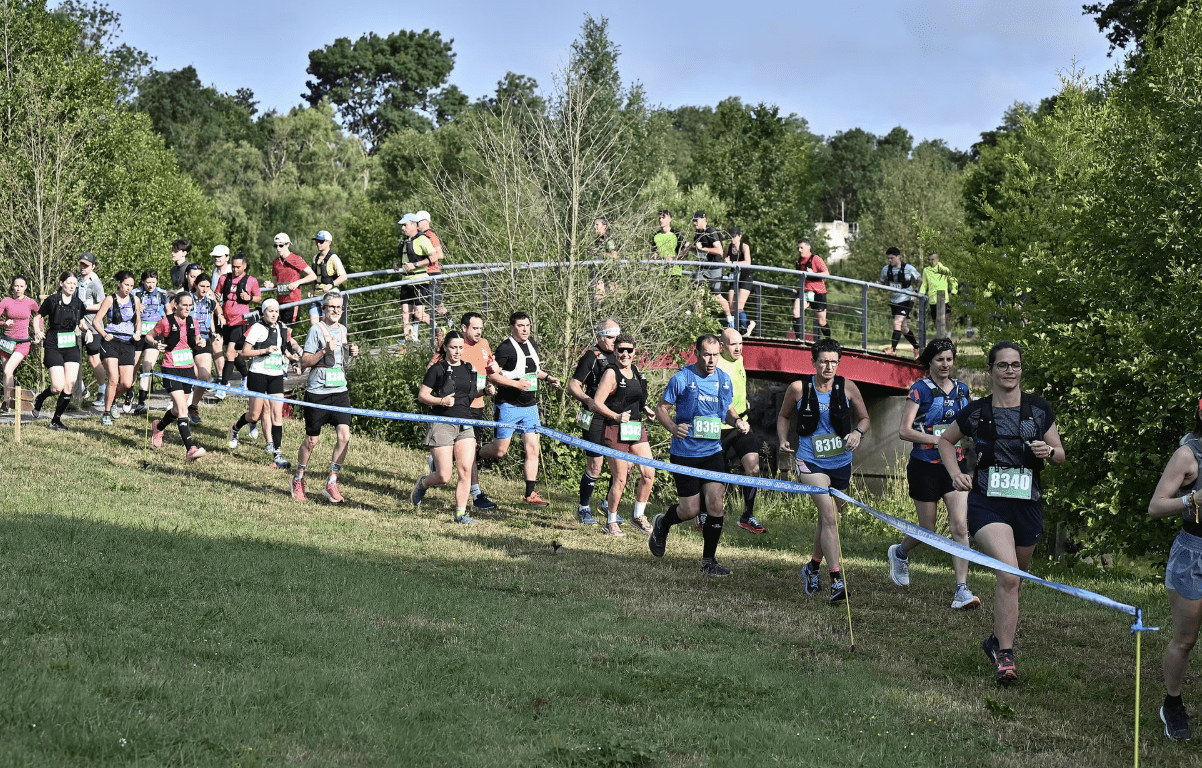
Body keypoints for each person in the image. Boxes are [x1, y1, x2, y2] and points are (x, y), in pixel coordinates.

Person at [937, 341, 1063, 683]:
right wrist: (955, 473)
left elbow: (1061, 454)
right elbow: (945, 441)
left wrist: (1048, 451)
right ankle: (1006, 656)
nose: (1010, 371)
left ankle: (995, 641)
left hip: (1027, 505)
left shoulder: (1038, 409)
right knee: (1008, 576)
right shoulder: (976, 411)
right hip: (986, 504)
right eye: (1003, 365)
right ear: (991, 370)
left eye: (1016, 365)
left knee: (1015, 580)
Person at [885, 338, 980, 610]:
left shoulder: (962, 390)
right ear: (930, 362)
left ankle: (961, 590)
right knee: (928, 529)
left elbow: (969, 424)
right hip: (924, 465)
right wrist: (939, 440)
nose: (945, 364)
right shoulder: (920, 389)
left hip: (957, 466)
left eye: (949, 359)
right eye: (940, 360)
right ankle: (900, 552)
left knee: (960, 526)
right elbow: (904, 431)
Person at [649, 334, 752, 576]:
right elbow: (661, 409)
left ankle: (708, 561)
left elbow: (725, 409)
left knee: (716, 504)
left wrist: (737, 421)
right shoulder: (682, 378)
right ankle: (662, 523)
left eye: (715, 355)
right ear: (696, 353)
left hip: (712, 451)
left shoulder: (724, 380)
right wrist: (674, 427)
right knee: (690, 510)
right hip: (684, 454)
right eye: (707, 354)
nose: (711, 360)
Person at [776, 338, 870, 602]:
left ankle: (812, 567)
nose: (829, 366)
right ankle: (836, 579)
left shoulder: (848, 387)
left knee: (830, 519)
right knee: (828, 515)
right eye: (824, 361)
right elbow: (784, 416)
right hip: (810, 461)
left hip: (840, 462)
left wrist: (857, 433)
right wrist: (783, 439)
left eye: (834, 361)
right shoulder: (798, 388)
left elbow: (864, 418)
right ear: (814, 362)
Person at [1147, 402, 1202, 741]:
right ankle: (1172, 703)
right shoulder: (1188, 455)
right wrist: (1190, 501)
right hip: (1194, 554)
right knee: (1186, 640)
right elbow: (1155, 506)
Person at [479, 311, 561, 507]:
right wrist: (515, 385)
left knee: (532, 448)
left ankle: (530, 494)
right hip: (508, 405)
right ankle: (475, 455)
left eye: (528, 326)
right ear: (512, 327)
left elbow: (532, 370)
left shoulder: (532, 345)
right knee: (500, 452)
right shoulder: (506, 348)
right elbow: (492, 375)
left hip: (530, 407)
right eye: (521, 326)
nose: (525, 329)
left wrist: (548, 378)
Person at [292, 290, 358, 504]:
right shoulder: (315, 330)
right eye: (332, 307)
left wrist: (352, 354)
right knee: (312, 441)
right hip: (318, 391)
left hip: (339, 390)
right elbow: (304, 362)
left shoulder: (343, 329)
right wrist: (323, 351)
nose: (336, 311)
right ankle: (298, 478)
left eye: (339, 307)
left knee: (344, 436)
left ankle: (332, 482)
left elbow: (343, 364)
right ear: (324, 308)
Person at [412, 331, 481, 524]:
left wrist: (486, 391)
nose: (457, 351)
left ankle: (460, 514)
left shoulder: (469, 368)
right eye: (453, 347)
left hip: (466, 424)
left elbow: (470, 393)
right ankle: (423, 483)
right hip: (442, 422)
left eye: (460, 347)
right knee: (444, 476)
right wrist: (441, 401)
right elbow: (422, 396)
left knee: (466, 470)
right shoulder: (437, 369)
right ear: (445, 348)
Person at [591, 333, 656, 536]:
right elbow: (596, 404)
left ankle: (638, 516)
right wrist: (616, 417)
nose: (625, 354)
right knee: (620, 478)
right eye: (621, 350)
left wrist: (645, 408)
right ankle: (611, 521)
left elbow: (634, 397)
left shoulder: (634, 370)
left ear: (635, 351)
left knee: (648, 473)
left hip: (635, 428)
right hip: (615, 429)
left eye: (629, 350)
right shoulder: (611, 373)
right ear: (615, 351)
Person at [232, 299, 301, 469]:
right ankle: (235, 428)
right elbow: (244, 352)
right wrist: (264, 351)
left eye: (276, 311)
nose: (274, 314)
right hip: (258, 374)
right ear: (263, 312)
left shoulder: (280, 327)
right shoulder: (257, 328)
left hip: (276, 374)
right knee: (254, 415)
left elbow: (281, 346)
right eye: (270, 311)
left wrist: (290, 356)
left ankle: (277, 454)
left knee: (277, 414)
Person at [568, 318, 621, 526]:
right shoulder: (591, 356)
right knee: (596, 465)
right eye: (610, 337)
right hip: (593, 417)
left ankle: (608, 503)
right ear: (599, 336)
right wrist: (588, 400)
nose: (614, 341)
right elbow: (573, 385)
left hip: (615, 416)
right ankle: (583, 508)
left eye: (616, 337)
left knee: (621, 465)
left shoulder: (620, 355)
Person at [714, 329, 767, 534]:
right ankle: (704, 511)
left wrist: (742, 402)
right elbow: (723, 401)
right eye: (733, 344)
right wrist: (736, 418)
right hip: (720, 426)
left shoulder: (740, 358)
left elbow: (737, 386)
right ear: (721, 346)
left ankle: (747, 515)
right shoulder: (716, 364)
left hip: (741, 424)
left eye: (740, 344)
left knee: (753, 467)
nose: (738, 348)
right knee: (718, 475)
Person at [146, 291, 206, 461]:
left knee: (176, 410)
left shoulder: (194, 322)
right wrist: (156, 343)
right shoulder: (166, 321)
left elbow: (196, 343)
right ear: (176, 305)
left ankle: (159, 426)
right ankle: (190, 449)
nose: (187, 308)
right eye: (184, 305)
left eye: (190, 305)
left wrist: (202, 344)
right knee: (182, 409)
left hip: (187, 368)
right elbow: (149, 335)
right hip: (171, 368)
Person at [454, 312, 500, 511]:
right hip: (458, 406)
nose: (479, 332)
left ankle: (475, 493)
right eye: (474, 328)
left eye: (481, 328)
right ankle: (475, 492)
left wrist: (494, 370)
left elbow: (490, 367)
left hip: (478, 405)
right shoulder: (455, 346)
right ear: (464, 328)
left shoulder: (484, 344)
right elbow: (436, 369)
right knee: (465, 448)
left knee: (471, 448)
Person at [32, 270, 87, 430]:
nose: (72, 286)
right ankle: (40, 398)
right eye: (69, 283)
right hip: (53, 343)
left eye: (74, 284)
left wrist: (88, 330)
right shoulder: (52, 300)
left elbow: (82, 322)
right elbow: (38, 317)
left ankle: (55, 420)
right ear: (62, 283)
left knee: (69, 385)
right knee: (57, 386)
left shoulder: (78, 303)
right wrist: (37, 331)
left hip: (70, 345)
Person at [94, 271, 142, 426]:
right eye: (126, 284)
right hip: (112, 341)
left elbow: (138, 321)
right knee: (114, 379)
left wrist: (138, 332)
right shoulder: (110, 299)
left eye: (132, 286)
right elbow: (96, 321)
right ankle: (106, 413)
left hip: (128, 342)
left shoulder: (135, 299)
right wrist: (104, 334)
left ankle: (112, 399)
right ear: (120, 283)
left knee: (127, 383)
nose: (128, 288)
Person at [215, 252, 262, 391]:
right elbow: (217, 296)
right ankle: (246, 376)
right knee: (234, 354)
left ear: (245, 266)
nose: (235, 270)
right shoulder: (224, 278)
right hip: (225, 321)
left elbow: (258, 298)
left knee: (229, 352)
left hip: (241, 321)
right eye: (233, 267)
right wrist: (217, 298)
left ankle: (223, 386)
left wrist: (249, 298)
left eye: (238, 267)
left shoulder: (251, 280)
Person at [129, 269, 170, 415]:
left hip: (154, 334)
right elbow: (126, 312)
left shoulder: (162, 294)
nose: (150, 285)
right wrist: (136, 309)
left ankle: (142, 402)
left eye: (153, 282)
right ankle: (129, 393)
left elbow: (168, 314)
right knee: (133, 366)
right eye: (148, 282)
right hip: (138, 334)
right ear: (143, 282)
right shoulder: (135, 293)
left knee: (147, 366)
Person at [0, 275, 43, 414]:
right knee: (7, 373)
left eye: (21, 286)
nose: (18, 289)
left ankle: (7, 401)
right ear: (12, 286)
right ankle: (7, 403)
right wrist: (4, 323)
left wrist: (38, 331)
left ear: (25, 287)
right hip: (6, 341)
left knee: (8, 370)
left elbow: (39, 315)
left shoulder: (30, 302)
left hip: (23, 342)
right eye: (16, 286)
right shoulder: (6, 301)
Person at [396, 214, 436, 342]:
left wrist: (416, 265)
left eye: (405, 225)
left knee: (418, 314)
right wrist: (397, 264)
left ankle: (438, 330)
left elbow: (434, 257)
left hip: (420, 280)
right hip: (406, 281)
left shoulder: (423, 239)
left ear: (414, 224)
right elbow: (407, 258)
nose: (403, 228)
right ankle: (408, 341)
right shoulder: (406, 241)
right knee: (405, 313)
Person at [184, 273, 217, 424]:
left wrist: (214, 331)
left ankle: (193, 406)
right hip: (186, 339)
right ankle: (180, 407)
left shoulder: (211, 302)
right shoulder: (187, 299)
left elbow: (210, 318)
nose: (204, 289)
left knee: (204, 377)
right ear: (196, 285)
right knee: (191, 375)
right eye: (202, 286)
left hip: (204, 339)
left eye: (207, 287)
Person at [76, 252, 107, 408]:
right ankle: (81, 389)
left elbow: (103, 304)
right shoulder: (76, 280)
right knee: (71, 358)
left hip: (93, 327)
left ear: (93, 267)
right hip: (77, 327)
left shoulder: (96, 283)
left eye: (86, 265)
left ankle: (103, 391)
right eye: (81, 264)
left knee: (93, 360)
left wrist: (85, 307)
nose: (83, 267)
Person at [878, 247, 922, 358]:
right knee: (903, 328)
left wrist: (915, 292)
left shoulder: (909, 268)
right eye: (888, 258)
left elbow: (920, 280)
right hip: (894, 301)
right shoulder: (885, 269)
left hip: (907, 299)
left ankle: (892, 349)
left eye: (892, 258)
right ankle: (917, 348)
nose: (890, 260)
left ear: (899, 257)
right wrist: (878, 283)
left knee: (897, 323)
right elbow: (882, 282)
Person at [266, 233, 317, 325]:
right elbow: (275, 282)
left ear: (288, 244)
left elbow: (313, 276)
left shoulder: (296, 259)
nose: (278, 248)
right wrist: (270, 285)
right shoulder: (276, 262)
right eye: (276, 246)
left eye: (281, 245)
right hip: (280, 302)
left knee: (288, 332)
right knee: (281, 332)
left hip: (293, 301)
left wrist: (297, 282)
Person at [687, 212, 728, 320]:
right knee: (697, 295)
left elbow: (719, 251)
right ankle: (697, 322)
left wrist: (702, 249)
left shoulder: (710, 231)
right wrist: (689, 247)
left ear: (704, 219)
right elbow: (698, 250)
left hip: (715, 267)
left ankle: (730, 320)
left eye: (696, 220)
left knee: (717, 296)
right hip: (702, 267)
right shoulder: (697, 233)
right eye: (693, 221)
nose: (694, 223)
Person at [792, 239, 831, 340]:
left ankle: (828, 340)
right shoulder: (799, 260)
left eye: (802, 248)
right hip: (805, 290)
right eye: (798, 248)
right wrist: (798, 286)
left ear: (808, 247)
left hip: (818, 292)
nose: (800, 250)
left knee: (821, 321)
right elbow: (802, 276)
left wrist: (813, 274)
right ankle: (799, 339)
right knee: (796, 311)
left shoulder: (816, 259)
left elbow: (826, 273)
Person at [308, 230, 348, 325]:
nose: (318, 244)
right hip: (316, 296)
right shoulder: (315, 258)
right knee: (314, 326)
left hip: (329, 297)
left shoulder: (334, 258)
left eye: (321, 242)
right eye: (317, 241)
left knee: (326, 325)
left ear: (329, 242)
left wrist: (331, 285)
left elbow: (343, 276)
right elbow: (315, 277)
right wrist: (312, 289)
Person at [208, 245, 233, 400]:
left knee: (234, 348)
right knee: (216, 344)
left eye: (220, 256)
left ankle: (243, 377)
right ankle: (221, 378)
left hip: (230, 314)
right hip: (217, 313)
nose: (217, 259)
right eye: (215, 256)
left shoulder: (231, 271)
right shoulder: (214, 272)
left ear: (227, 257)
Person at [415, 210, 448, 319]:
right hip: (424, 274)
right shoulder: (421, 236)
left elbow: (440, 255)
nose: (416, 224)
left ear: (426, 221)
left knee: (436, 305)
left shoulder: (430, 235)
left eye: (418, 221)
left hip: (432, 274)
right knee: (418, 308)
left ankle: (449, 321)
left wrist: (420, 262)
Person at [725, 227, 756, 336]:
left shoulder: (744, 247)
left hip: (745, 277)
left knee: (739, 307)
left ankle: (745, 328)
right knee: (731, 307)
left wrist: (732, 263)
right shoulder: (728, 247)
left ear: (739, 236)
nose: (732, 239)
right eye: (730, 237)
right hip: (734, 277)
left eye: (734, 236)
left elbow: (748, 262)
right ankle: (735, 330)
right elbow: (725, 261)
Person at [919, 251, 957, 330]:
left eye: (933, 259)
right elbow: (924, 284)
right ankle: (940, 336)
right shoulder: (926, 270)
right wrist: (921, 293)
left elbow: (953, 281)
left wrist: (953, 292)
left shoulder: (944, 269)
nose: (932, 261)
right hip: (933, 299)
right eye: (930, 260)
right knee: (936, 320)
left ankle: (948, 334)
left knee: (946, 319)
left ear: (937, 259)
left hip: (944, 299)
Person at [651, 210, 685, 278]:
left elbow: (686, 251)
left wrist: (674, 259)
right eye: (659, 218)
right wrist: (655, 259)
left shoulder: (676, 234)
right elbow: (655, 252)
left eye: (663, 217)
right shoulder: (656, 235)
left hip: (674, 271)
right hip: (660, 272)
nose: (660, 220)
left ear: (670, 219)